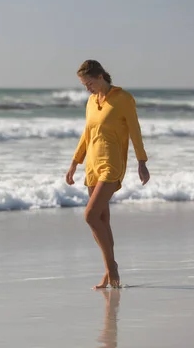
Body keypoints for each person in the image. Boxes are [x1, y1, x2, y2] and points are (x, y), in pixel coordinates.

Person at [65, 59, 150, 289]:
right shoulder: (91, 102)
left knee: (90, 215)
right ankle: (108, 271)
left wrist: (142, 161)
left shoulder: (123, 99)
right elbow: (87, 133)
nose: (87, 88)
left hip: (112, 164)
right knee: (102, 220)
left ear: (100, 76)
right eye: (84, 85)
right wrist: (75, 161)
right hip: (92, 164)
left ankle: (112, 269)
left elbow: (135, 132)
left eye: (89, 83)